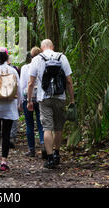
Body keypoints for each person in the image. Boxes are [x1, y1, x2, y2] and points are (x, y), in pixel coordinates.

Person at [27, 39, 74, 169]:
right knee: (58, 127)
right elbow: (69, 81)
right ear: (52, 47)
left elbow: (31, 83)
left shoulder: (37, 59)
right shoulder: (62, 57)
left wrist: (29, 100)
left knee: (47, 127)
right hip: (60, 97)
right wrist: (72, 100)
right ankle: (57, 153)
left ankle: (49, 158)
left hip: (44, 98)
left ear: (42, 48)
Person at [20, 47, 45, 157]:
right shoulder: (43, 66)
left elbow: (22, 85)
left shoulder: (25, 68)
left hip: (28, 98)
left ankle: (31, 149)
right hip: (40, 97)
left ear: (31, 57)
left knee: (29, 124)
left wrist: (21, 101)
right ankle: (44, 145)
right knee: (41, 123)